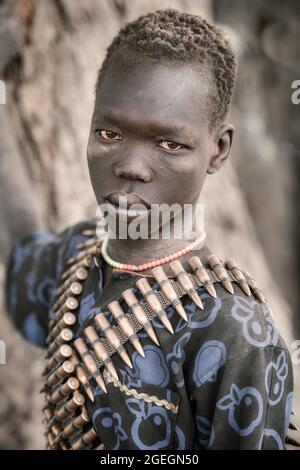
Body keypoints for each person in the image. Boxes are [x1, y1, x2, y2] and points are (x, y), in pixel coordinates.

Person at [5, 9, 294, 450]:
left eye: (169, 144)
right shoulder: (76, 262)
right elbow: (20, 240)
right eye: (109, 134)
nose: (131, 167)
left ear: (218, 150)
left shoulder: (235, 335)